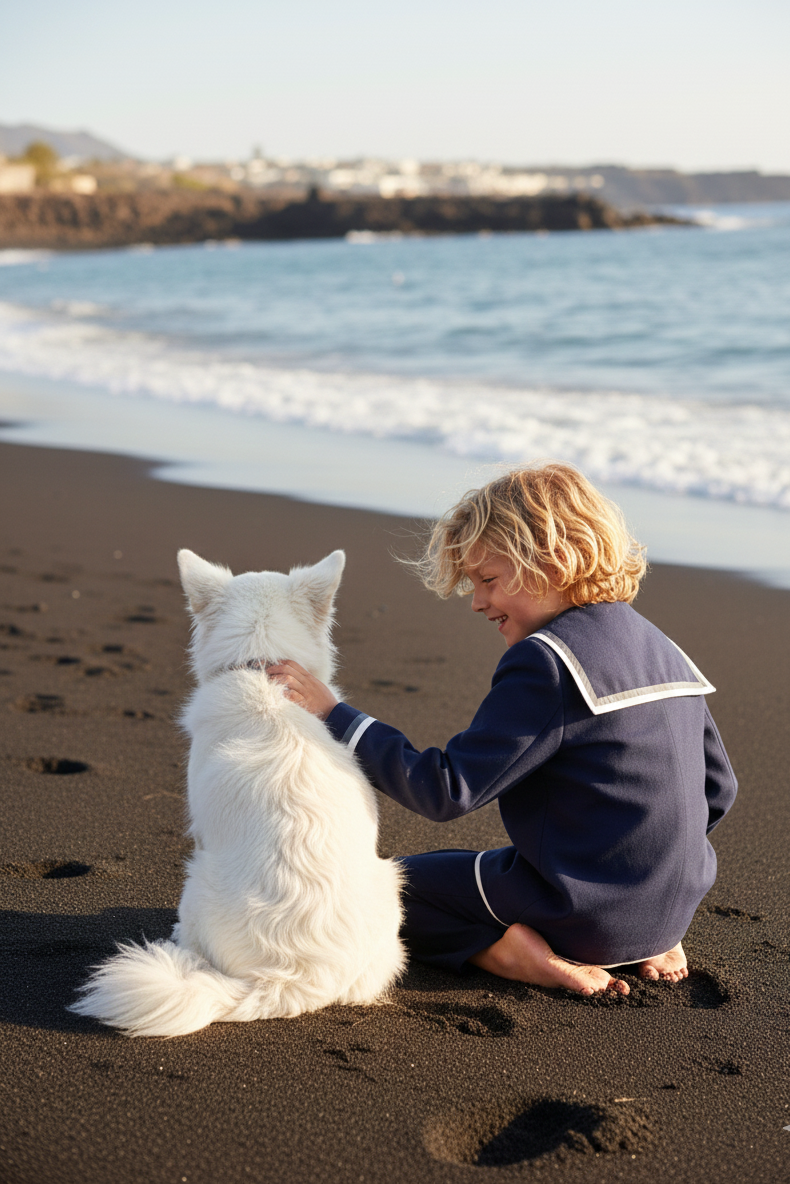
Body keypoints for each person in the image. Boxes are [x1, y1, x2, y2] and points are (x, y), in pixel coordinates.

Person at [268, 463, 738, 996]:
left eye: (488, 580)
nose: (477, 602)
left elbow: (445, 790)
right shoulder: (663, 647)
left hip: (580, 915)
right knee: (464, 870)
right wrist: (648, 880)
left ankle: (511, 955)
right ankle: (642, 938)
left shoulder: (547, 661)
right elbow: (719, 789)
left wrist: (334, 714)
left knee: (381, 887)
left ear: (552, 561)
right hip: (670, 912)